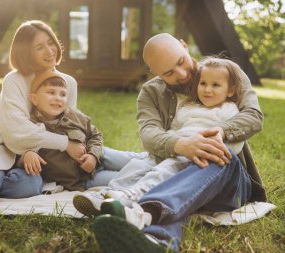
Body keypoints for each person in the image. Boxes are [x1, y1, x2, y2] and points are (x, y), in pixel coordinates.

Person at [0, 20, 146, 205]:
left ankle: (160, 165)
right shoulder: (14, 80)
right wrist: (58, 146)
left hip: (45, 156)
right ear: (26, 52)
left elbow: (69, 124)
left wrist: (85, 152)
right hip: (5, 147)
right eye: (39, 47)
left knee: (30, 186)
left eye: (50, 42)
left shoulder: (67, 82)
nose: (50, 51)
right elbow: (14, 131)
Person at [76, 33, 266, 253]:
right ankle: (157, 241)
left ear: (184, 46)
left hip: (226, 180)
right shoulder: (151, 92)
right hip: (179, 183)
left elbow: (254, 116)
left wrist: (220, 132)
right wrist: (181, 144)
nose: (182, 74)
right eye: (169, 73)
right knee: (173, 184)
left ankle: (138, 205)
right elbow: (148, 133)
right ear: (155, 73)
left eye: (181, 62)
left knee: (214, 154)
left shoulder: (223, 71)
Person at [103, 57, 246, 206]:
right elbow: (174, 128)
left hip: (201, 153)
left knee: (164, 170)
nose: (207, 89)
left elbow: (236, 142)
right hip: (179, 147)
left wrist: (220, 148)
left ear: (230, 90)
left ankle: (136, 193)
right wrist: (176, 144)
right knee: (139, 165)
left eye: (215, 85)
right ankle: (111, 192)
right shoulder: (188, 107)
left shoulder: (229, 110)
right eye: (203, 84)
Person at [19, 69, 103, 191]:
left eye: (63, 94)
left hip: (99, 158)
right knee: (124, 177)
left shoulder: (74, 116)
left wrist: (93, 156)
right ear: (34, 99)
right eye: (51, 92)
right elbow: (18, 148)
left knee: (132, 161)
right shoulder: (31, 125)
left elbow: (95, 135)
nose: (58, 98)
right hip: (86, 178)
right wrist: (26, 154)